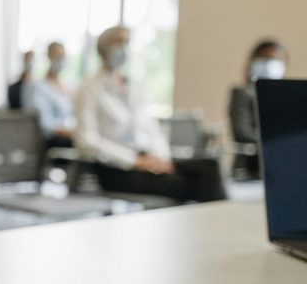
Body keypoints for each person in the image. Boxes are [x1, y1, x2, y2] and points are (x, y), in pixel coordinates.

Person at [75, 26, 227, 203]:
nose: (123, 48)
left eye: (126, 42)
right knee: (190, 184)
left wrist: (161, 159)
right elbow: (87, 142)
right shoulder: (89, 89)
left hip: (149, 159)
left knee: (210, 166)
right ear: (103, 47)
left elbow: (152, 130)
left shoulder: (134, 87)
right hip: (117, 168)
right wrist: (135, 161)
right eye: (118, 42)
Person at [229, 39, 288, 179]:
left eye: (274, 59)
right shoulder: (243, 93)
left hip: (283, 166)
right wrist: (280, 140)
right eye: (265, 58)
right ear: (253, 61)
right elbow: (242, 133)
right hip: (252, 166)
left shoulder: (286, 95)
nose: (269, 63)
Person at [23, 41, 75, 149]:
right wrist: (71, 133)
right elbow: (45, 124)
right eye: (58, 56)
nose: (61, 60)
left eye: (63, 56)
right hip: (54, 142)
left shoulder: (68, 88)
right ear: (49, 57)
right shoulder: (39, 87)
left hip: (70, 136)